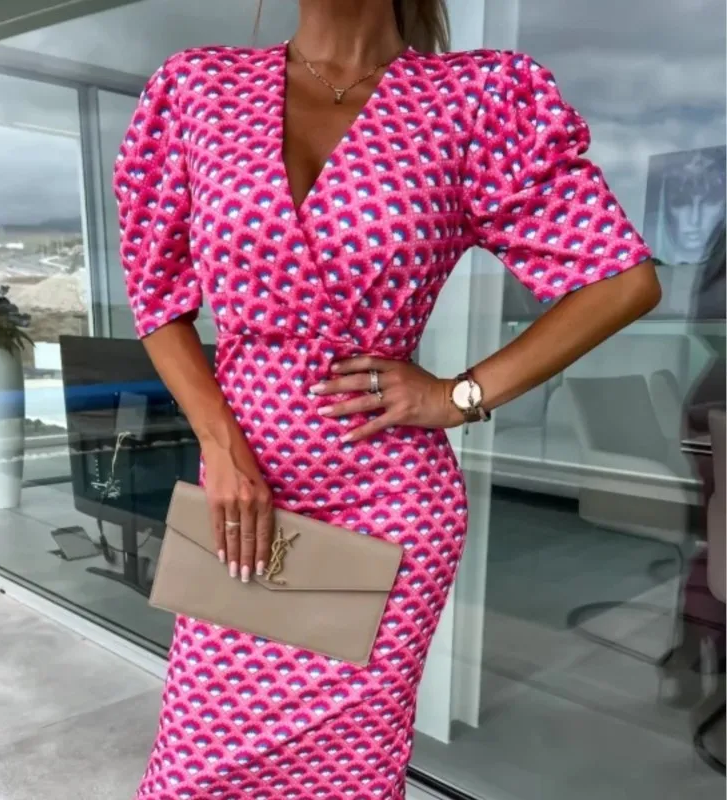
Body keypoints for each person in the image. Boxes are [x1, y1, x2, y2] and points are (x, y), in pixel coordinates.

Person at [113, 2, 661, 797]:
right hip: (244, 501)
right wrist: (221, 445)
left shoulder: (474, 100)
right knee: (197, 769)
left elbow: (621, 280)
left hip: (387, 504)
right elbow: (156, 293)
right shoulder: (199, 88)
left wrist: (457, 395)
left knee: (350, 778)